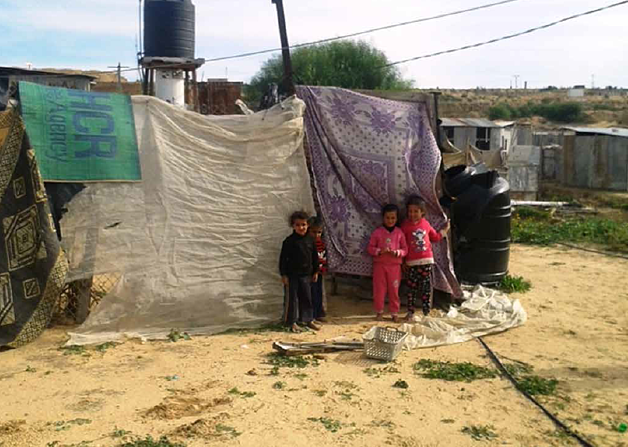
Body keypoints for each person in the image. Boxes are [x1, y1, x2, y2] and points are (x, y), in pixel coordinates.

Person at [400, 196, 450, 319]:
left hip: (426, 262)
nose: (413, 214)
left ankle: (426, 312)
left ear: (422, 212)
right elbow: (401, 244)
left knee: (426, 288)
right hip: (411, 263)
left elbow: (435, 237)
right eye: (410, 211)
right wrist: (402, 262)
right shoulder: (404, 226)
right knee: (411, 289)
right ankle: (410, 312)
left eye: (416, 211)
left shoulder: (426, 224)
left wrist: (445, 230)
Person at [279, 211, 321, 333]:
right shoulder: (289, 241)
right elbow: (283, 259)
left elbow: (315, 257)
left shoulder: (310, 240)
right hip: (292, 275)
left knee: (307, 297)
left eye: (303, 224)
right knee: (292, 299)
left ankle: (308, 320)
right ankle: (291, 322)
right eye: (298, 225)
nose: (301, 227)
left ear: (308, 225)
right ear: (293, 226)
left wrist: (316, 272)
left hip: (306, 275)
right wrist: (284, 274)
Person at [367, 204, 408, 322]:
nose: (390, 220)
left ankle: (394, 313)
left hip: (395, 267)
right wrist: (379, 251)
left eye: (393, 218)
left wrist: (397, 253)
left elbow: (405, 249)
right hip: (379, 266)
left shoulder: (399, 233)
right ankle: (379, 312)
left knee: (394, 291)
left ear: (396, 218)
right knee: (379, 290)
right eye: (387, 218)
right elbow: (370, 248)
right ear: (383, 218)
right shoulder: (377, 232)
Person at [308, 216, 327, 323]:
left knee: (318, 293)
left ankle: (318, 313)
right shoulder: (308, 243)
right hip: (310, 273)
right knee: (311, 293)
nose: (316, 235)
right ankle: (312, 315)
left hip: (319, 273)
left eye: (319, 232)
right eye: (314, 232)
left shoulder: (321, 244)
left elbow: (323, 257)